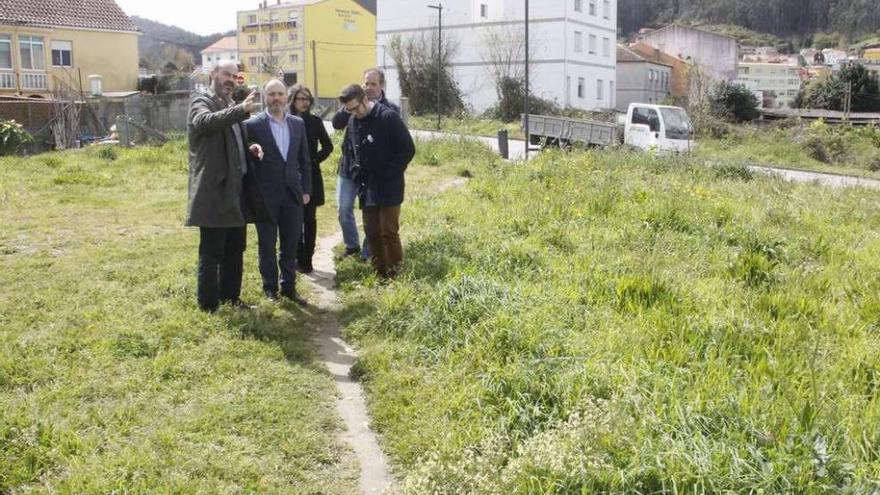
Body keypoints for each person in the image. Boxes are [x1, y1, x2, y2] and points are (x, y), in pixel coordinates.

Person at [185, 60, 268, 313]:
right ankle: (208, 306)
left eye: (234, 76)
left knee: (235, 248)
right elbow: (204, 122)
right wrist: (240, 111)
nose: (231, 80)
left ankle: (231, 297)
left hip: (236, 191)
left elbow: (230, 138)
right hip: (214, 191)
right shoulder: (202, 101)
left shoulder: (231, 105)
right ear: (213, 74)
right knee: (212, 251)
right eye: (226, 75)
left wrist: (248, 148)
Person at [244, 79, 312, 304]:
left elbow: (304, 160)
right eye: (271, 94)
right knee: (267, 245)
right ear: (265, 97)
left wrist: (306, 190)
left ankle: (289, 288)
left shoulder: (297, 124)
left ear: (286, 97)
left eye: (280, 94)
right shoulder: (253, 125)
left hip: (292, 195)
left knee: (290, 244)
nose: (276, 98)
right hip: (265, 196)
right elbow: (247, 161)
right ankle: (270, 289)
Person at [337, 84, 414, 278]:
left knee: (388, 231)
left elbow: (407, 149)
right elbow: (351, 151)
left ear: (365, 100)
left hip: (390, 186)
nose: (353, 113)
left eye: (356, 108)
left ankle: (396, 273)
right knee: (372, 232)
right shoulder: (353, 122)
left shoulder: (388, 117)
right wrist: (357, 174)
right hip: (367, 186)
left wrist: (391, 172)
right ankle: (380, 273)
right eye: (349, 110)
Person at [332, 68, 400, 260]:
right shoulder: (352, 101)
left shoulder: (390, 109)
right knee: (344, 209)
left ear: (381, 85)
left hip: (373, 172)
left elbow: (399, 144)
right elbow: (337, 123)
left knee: (373, 215)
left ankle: (368, 251)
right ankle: (351, 245)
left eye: (373, 84)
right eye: (366, 83)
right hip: (349, 168)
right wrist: (350, 107)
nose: (369, 88)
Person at [288, 84, 333, 274]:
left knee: (309, 218)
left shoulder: (315, 121)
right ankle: (298, 257)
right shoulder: (286, 120)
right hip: (290, 176)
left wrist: (314, 160)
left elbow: (328, 147)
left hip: (311, 176)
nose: (304, 102)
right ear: (292, 100)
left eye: (307, 99)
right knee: (294, 219)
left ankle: (308, 258)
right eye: (300, 98)